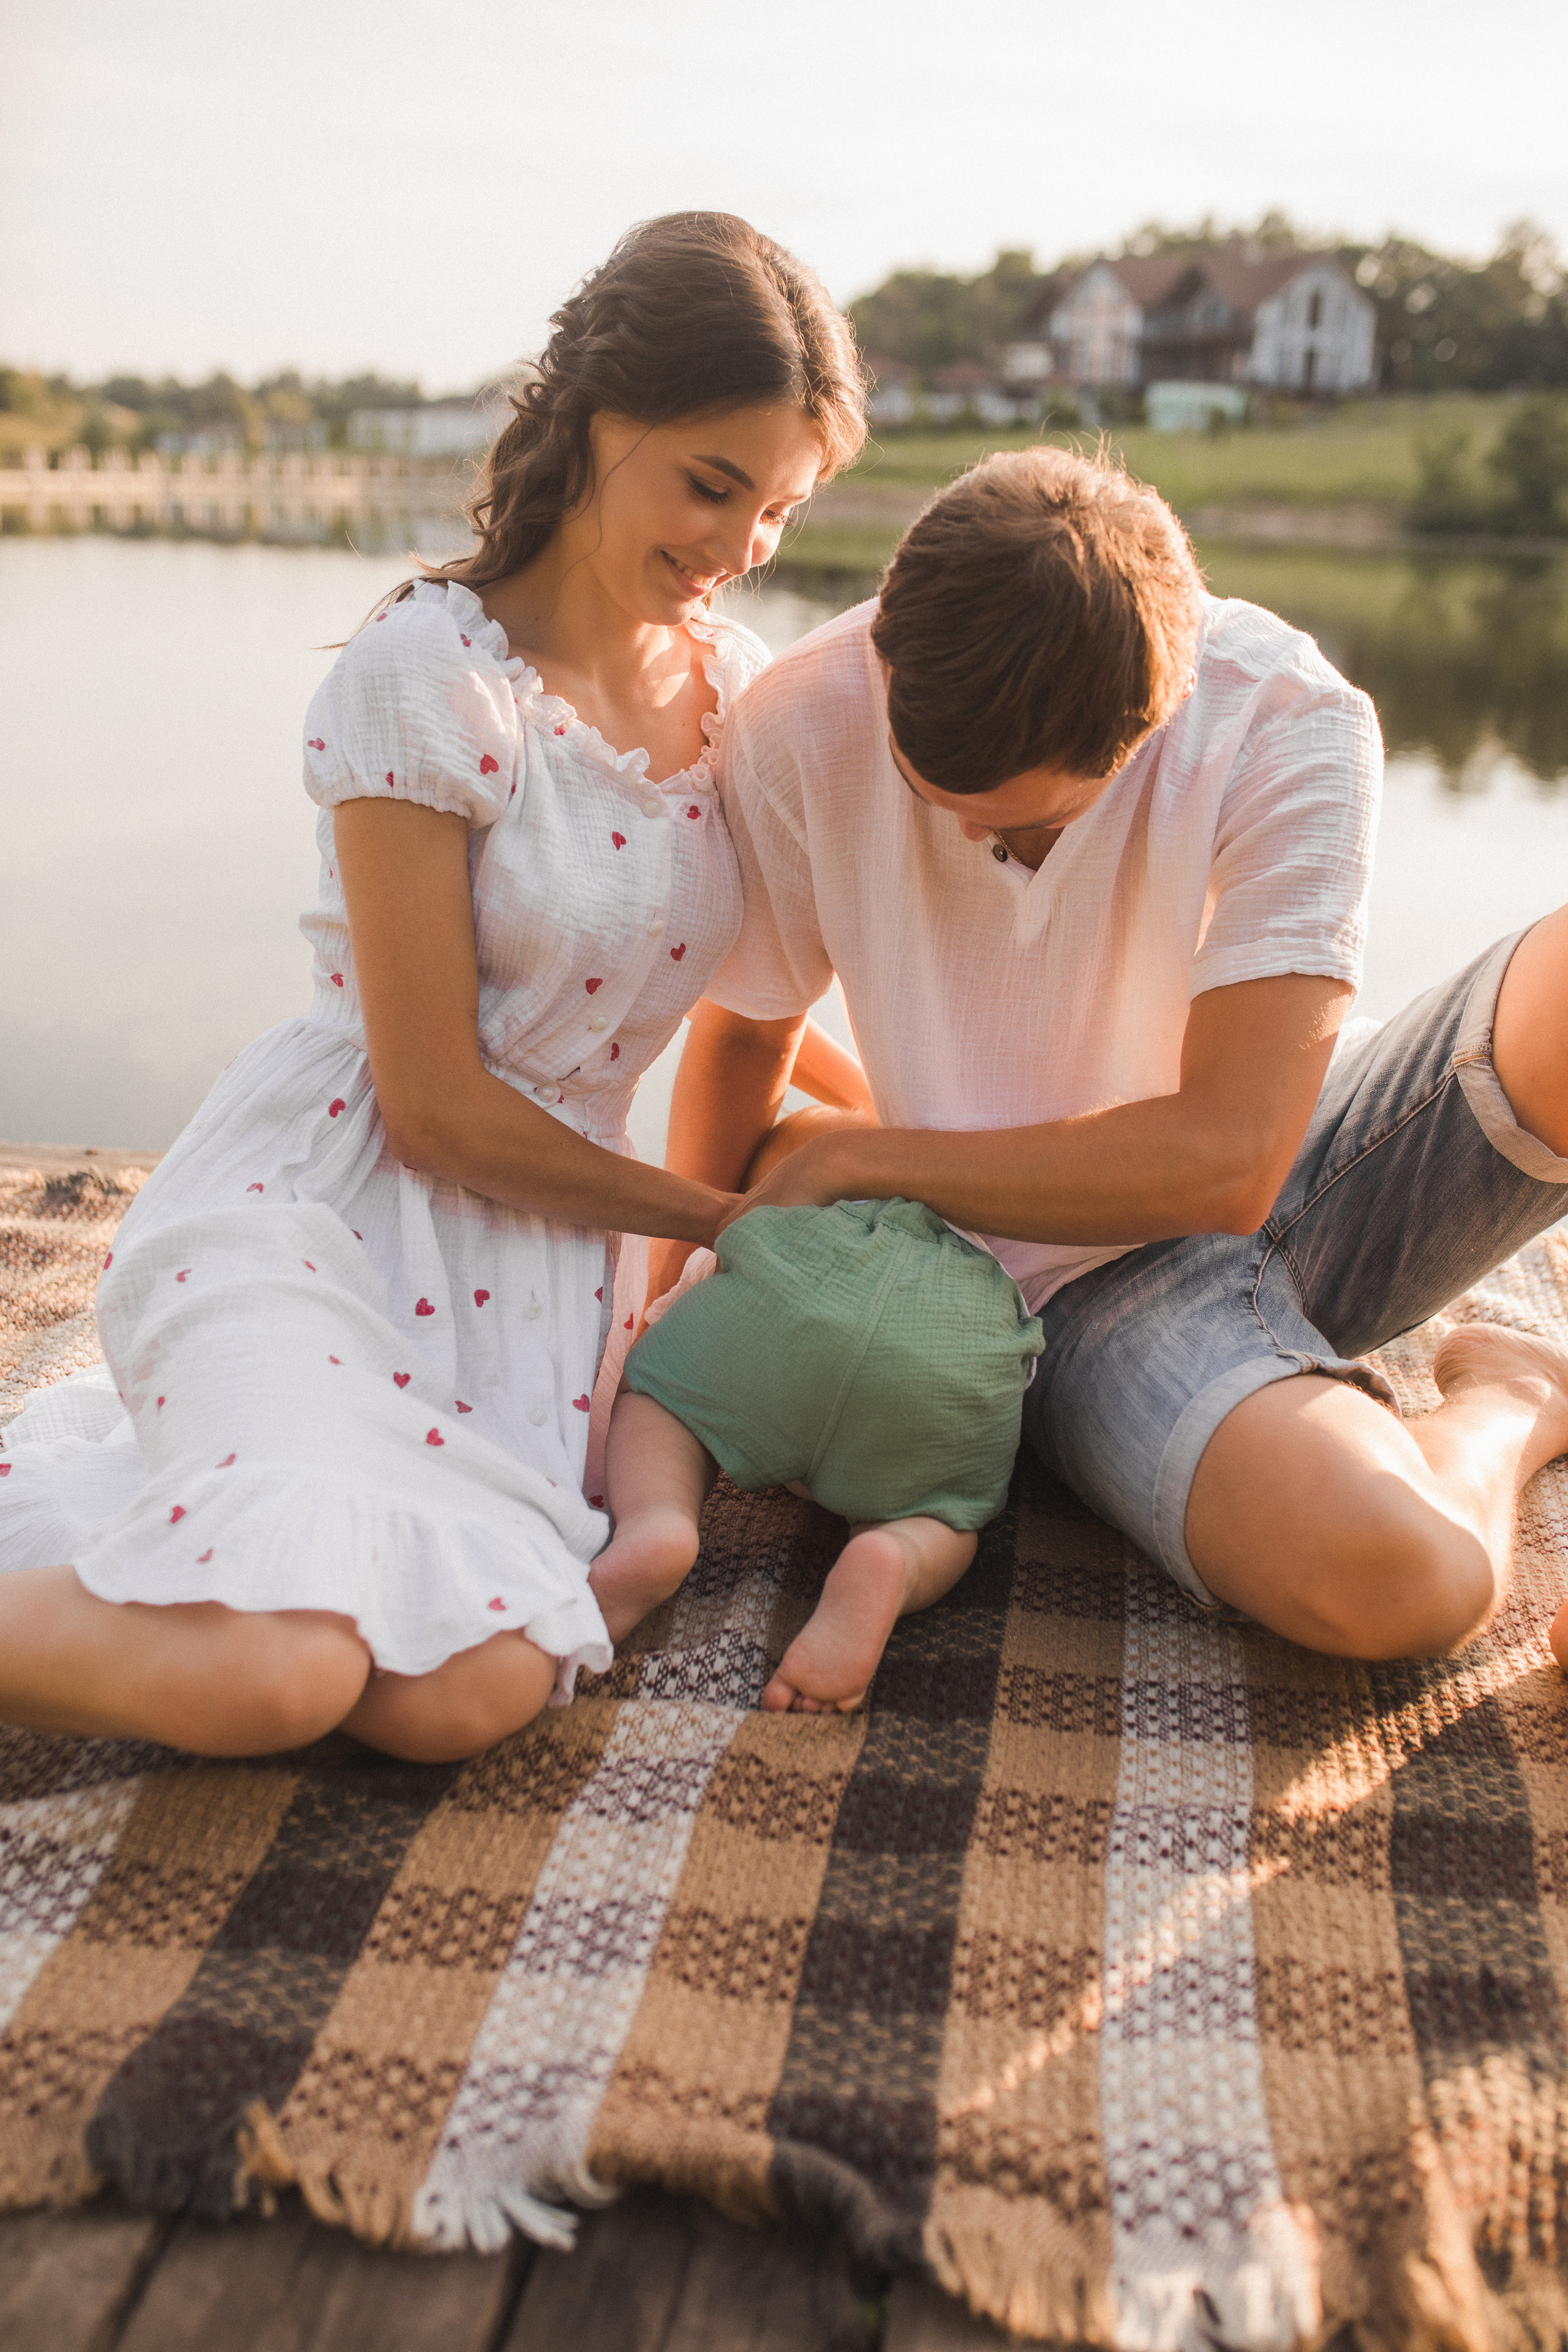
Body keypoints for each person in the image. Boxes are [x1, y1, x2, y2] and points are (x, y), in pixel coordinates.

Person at [0, 211, 870, 1763]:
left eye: (783, 509)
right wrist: (727, 1225)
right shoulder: (424, 678)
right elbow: (439, 1112)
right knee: (274, 1672)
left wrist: (905, 1157)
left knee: (460, 1698)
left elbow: (776, 1002)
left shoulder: (739, 692)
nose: (743, 546)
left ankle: (164, 1557)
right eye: (711, 485)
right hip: (328, 1211)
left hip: (530, 1301)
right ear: (598, 420)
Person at [653, 443, 1568, 1670]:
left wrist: (870, 1157)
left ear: (1150, 725)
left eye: (1023, 820)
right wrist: (664, 1320)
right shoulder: (805, 716)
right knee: (1407, 1580)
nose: (968, 834)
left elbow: (1228, 1167)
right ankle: (1501, 1397)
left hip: (1259, 1154)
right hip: (1054, 1289)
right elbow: (744, 1036)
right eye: (931, 795)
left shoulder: (1282, 718)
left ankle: (1507, 1390)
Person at [589, 1163, 1043, 1713]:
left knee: (660, 1397)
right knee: (944, 1516)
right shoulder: (1012, 1241)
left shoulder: (808, 1189)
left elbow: (709, 1270)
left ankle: (657, 1520)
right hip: (949, 1349)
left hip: (793, 1298)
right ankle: (894, 1551)